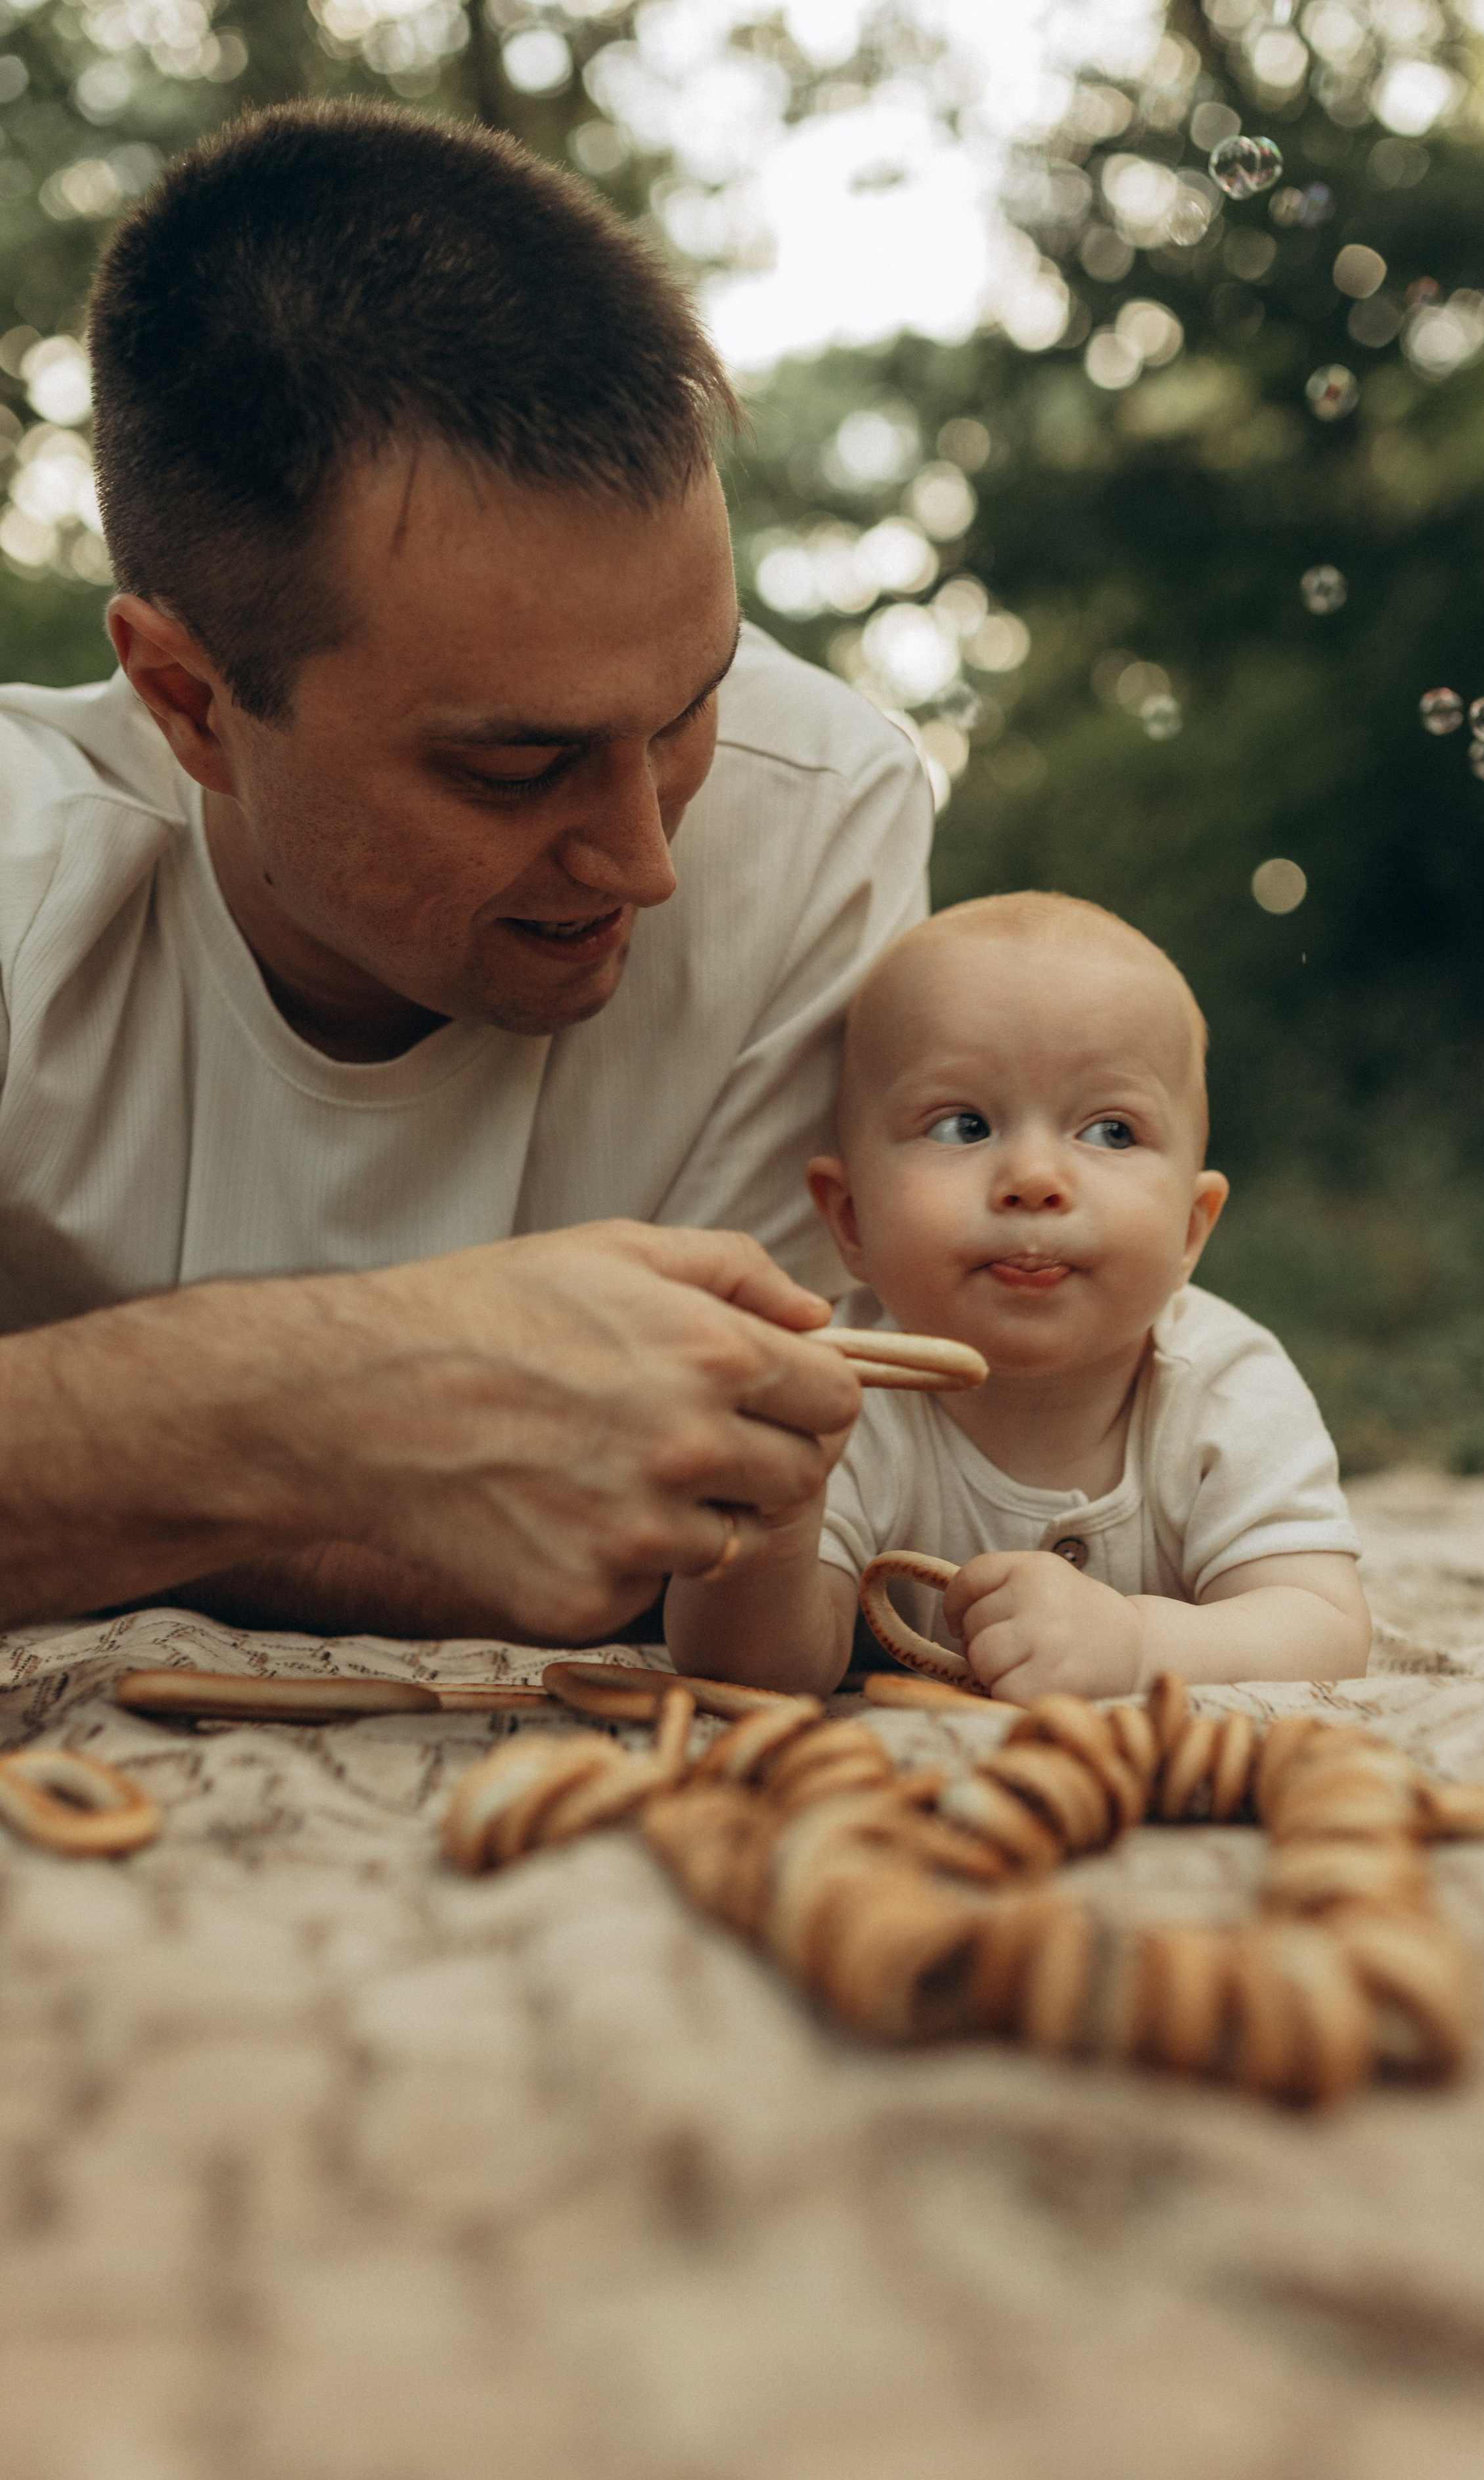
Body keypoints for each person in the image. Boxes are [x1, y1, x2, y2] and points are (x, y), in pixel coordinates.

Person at [0, 101, 929, 1639]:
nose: (644, 859)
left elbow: (709, 1539)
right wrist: (328, 1403)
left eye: (694, 706)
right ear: (189, 699)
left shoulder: (822, 808)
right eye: (515, 764)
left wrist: (100, 1465)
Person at [665, 893, 1372, 1701]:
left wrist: (1140, 1644)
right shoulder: (839, 1393)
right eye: (962, 1126)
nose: (1034, 1179)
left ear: (1189, 1230)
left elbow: (1324, 1625)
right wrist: (775, 1531)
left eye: (1109, 1130)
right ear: (850, 1220)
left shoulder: (1225, 1382)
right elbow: (757, 1672)